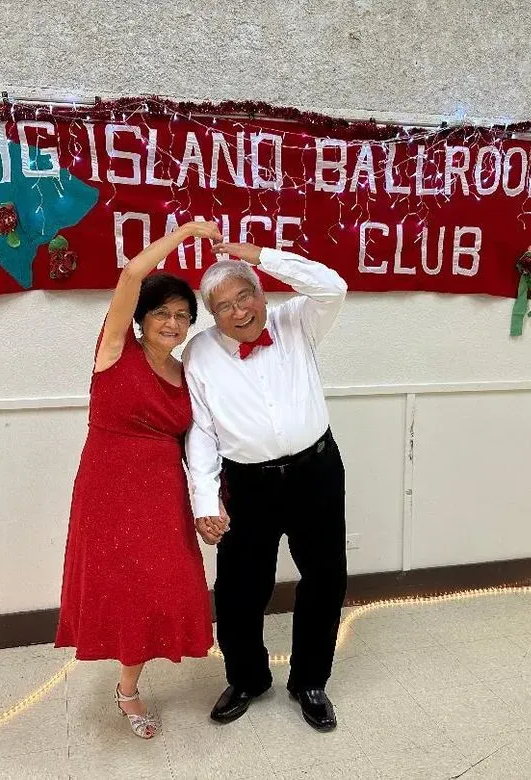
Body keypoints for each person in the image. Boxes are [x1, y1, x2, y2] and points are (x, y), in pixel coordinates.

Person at [56, 220, 223, 739]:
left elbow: (201, 443)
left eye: (182, 316)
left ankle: (132, 675)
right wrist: (187, 231)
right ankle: (128, 689)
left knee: (162, 584)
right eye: (162, 313)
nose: (172, 323)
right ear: (141, 318)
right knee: (123, 586)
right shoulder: (114, 349)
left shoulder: (187, 373)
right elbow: (131, 274)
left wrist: (212, 502)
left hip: (162, 490)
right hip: (108, 485)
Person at [184, 241, 348, 732]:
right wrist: (204, 501)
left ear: (262, 292)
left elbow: (333, 286)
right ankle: (247, 679)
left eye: (245, 296)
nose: (239, 312)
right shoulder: (199, 353)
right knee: (239, 588)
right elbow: (201, 432)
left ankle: (310, 681)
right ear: (212, 315)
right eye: (224, 306)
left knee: (324, 577)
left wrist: (260, 255)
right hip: (247, 483)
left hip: (315, 471)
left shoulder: (297, 320)